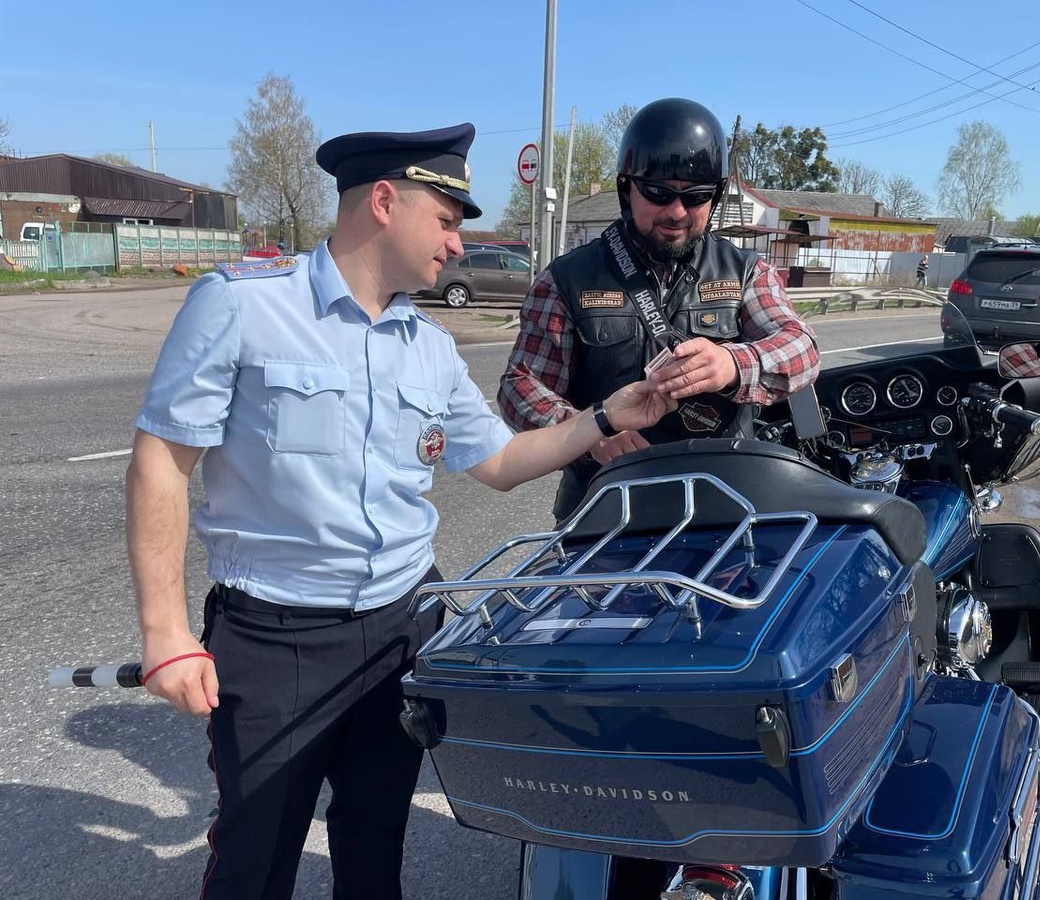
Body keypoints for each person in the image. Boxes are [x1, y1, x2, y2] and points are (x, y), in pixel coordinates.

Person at [125, 123, 675, 900]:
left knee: (375, 840)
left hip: (400, 632)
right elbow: (161, 460)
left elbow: (498, 462)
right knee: (256, 858)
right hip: (276, 640)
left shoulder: (429, 346)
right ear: (384, 202)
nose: (457, 243)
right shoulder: (244, 305)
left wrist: (607, 416)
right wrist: (166, 635)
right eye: (447, 220)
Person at [498, 97, 821, 522]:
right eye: (658, 194)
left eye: (696, 197)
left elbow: (802, 348)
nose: (676, 212)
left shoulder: (745, 272)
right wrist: (590, 430)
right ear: (626, 189)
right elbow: (520, 385)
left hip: (725, 501)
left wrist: (732, 364)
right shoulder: (566, 279)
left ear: (715, 198)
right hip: (604, 505)